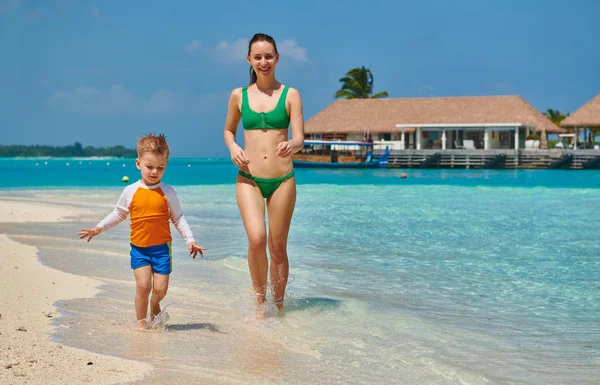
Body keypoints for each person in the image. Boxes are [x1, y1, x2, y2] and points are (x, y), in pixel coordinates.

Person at [78, 133, 206, 329]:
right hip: (139, 249)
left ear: (165, 166)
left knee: (160, 290)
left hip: (162, 249)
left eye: (160, 168)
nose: (154, 172)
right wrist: (98, 228)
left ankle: (155, 305)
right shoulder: (130, 190)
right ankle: (141, 322)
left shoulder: (168, 192)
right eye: (149, 167)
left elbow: (178, 217)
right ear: (138, 164)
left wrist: (190, 240)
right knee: (143, 286)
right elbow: (119, 214)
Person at [223, 33, 304, 319]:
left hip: (283, 179)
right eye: (258, 57)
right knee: (257, 239)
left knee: (277, 247)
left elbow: (300, 138)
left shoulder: (290, 94)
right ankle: (260, 306)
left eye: (268, 56)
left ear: (277, 58)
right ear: (249, 60)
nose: (264, 61)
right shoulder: (238, 96)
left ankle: (279, 308)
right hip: (249, 179)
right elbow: (229, 131)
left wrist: (291, 144)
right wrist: (233, 147)